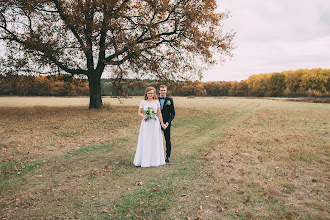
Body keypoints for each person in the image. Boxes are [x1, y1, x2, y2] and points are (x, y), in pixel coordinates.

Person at [133, 87, 166, 167]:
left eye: (151, 93)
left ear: (154, 94)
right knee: (146, 139)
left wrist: (162, 123)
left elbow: (159, 113)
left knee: (154, 140)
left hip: (155, 123)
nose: (150, 95)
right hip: (146, 124)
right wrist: (144, 116)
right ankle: (145, 160)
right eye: (149, 93)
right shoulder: (143, 102)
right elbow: (139, 112)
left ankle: (155, 160)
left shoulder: (156, 102)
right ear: (146, 94)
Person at [158, 85, 175, 163]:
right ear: (159, 91)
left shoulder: (170, 100)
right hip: (156, 123)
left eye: (164, 90)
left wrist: (168, 122)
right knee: (156, 140)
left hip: (166, 123)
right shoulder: (155, 100)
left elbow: (173, 113)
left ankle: (168, 156)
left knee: (167, 140)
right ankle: (157, 156)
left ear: (166, 91)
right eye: (161, 90)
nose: (163, 92)